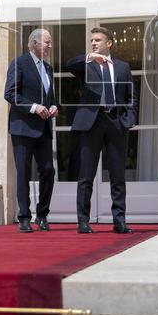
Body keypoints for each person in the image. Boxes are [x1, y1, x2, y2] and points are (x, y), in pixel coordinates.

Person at [66, 26, 137, 234]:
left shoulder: (123, 67)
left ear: (110, 43)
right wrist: (89, 57)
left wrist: (129, 119)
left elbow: (132, 96)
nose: (94, 43)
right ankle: (83, 221)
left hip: (116, 122)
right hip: (91, 123)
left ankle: (119, 221)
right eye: (92, 41)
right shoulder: (86, 64)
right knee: (86, 175)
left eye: (98, 40)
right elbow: (71, 65)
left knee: (118, 175)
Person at [3, 28, 58, 233]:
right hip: (23, 128)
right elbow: (10, 94)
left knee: (48, 171)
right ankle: (24, 217)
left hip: (43, 128)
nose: (50, 46)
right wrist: (35, 108)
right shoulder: (19, 63)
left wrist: (53, 106)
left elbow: (50, 97)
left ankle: (42, 215)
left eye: (50, 43)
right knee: (23, 172)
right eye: (47, 42)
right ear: (34, 43)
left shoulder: (49, 69)